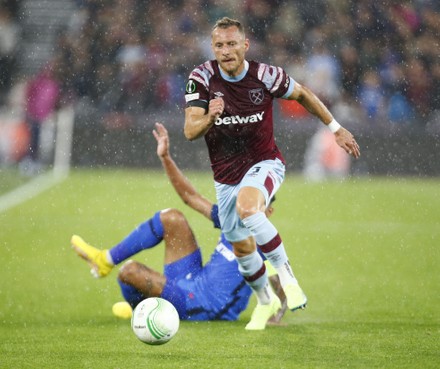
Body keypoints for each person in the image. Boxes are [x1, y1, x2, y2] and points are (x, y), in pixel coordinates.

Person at [184, 17, 361, 330]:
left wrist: (335, 128)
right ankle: (266, 301)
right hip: (225, 176)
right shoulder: (200, 77)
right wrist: (211, 117)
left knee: (249, 207)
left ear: (245, 45)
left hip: (265, 163)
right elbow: (190, 130)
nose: (225, 51)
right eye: (219, 45)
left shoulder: (265, 75)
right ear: (213, 48)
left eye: (231, 44)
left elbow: (303, 93)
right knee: (240, 246)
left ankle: (289, 280)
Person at [71, 122, 286, 323]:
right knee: (171, 218)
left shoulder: (264, 239)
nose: (247, 206)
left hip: (203, 307)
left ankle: (143, 309)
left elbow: (279, 277)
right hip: (192, 280)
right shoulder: (230, 217)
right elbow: (190, 197)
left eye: (258, 203)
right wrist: (165, 157)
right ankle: (106, 260)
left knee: (129, 273)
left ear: (269, 211)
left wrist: (280, 309)